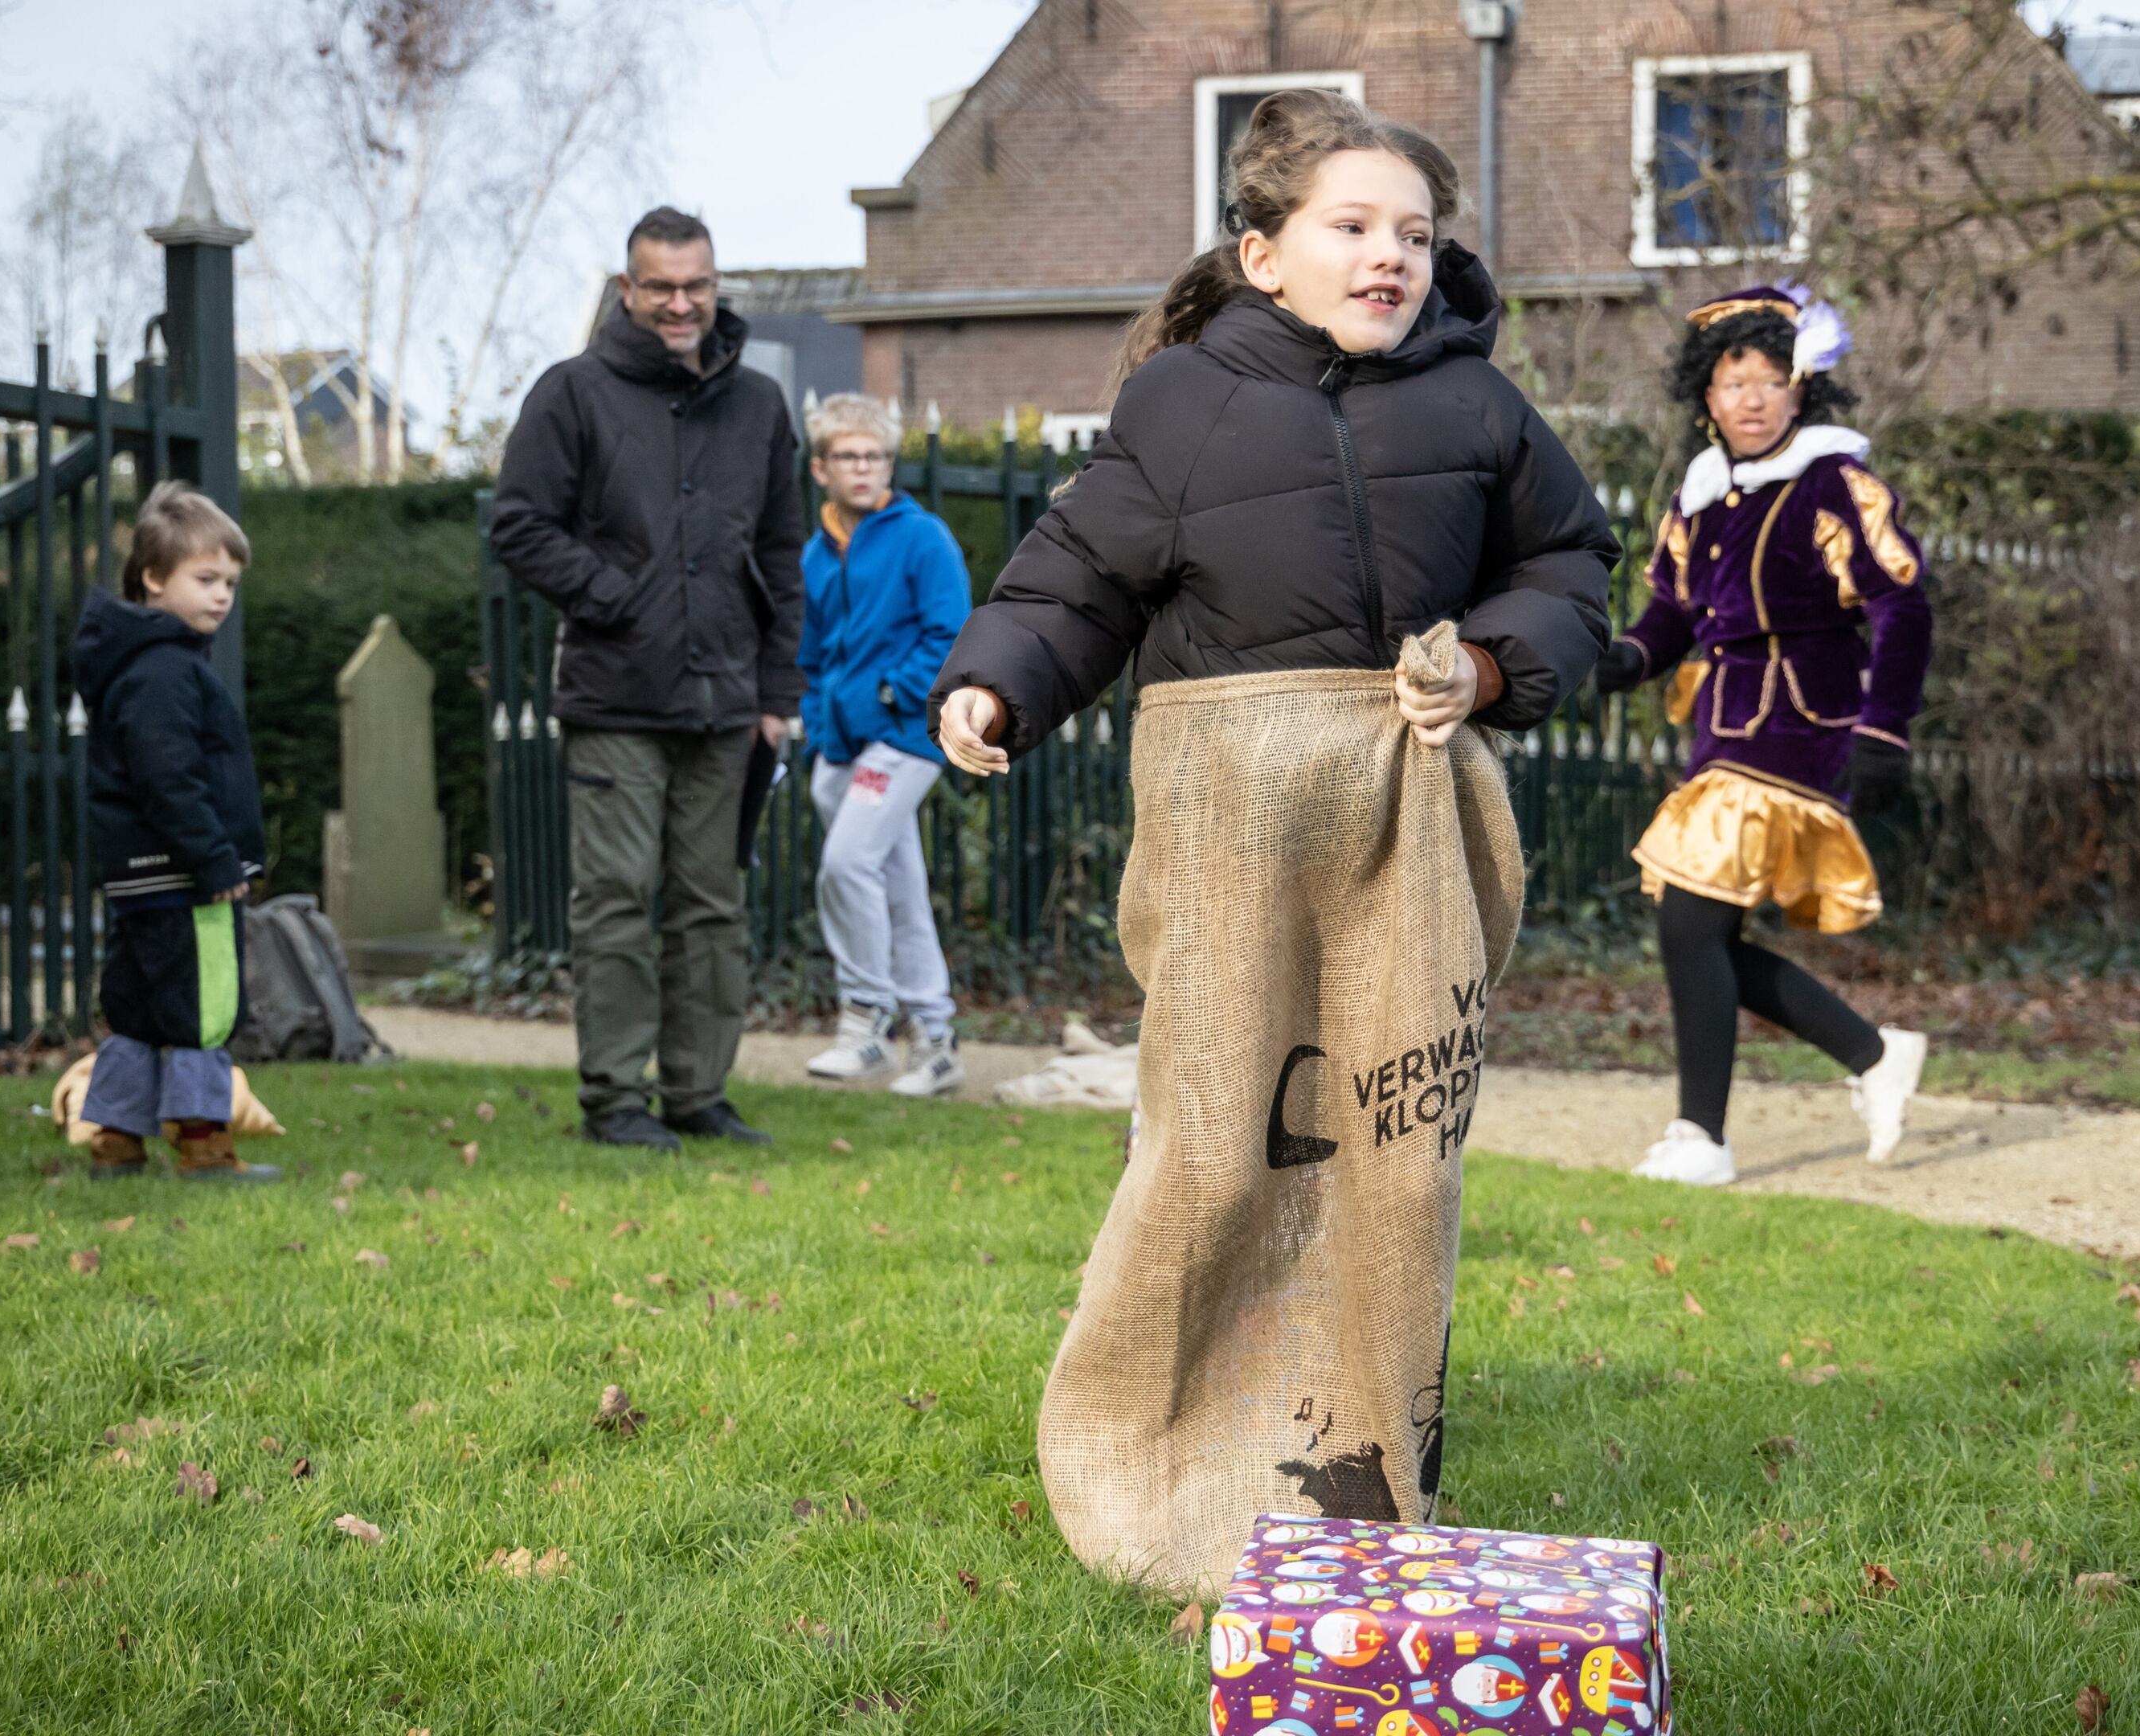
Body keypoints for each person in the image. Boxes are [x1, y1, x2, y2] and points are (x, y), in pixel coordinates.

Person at [932, 89, 1618, 1580]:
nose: (1391, 257)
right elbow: (1077, 578)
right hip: (1231, 827)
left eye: (1415, 234)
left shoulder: (1479, 406)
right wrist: (996, 682)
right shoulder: (1183, 405)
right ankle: (1154, 1464)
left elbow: (1572, 563)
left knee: (1398, 1160)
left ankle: (1365, 1468)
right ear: (1262, 256)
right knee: (1217, 1146)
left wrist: (1487, 665)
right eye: (1352, 226)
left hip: (1405, 826)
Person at [1593, 285, 1934, 1187]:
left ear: (1799, 389)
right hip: (1722, 729)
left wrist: (1887, 727)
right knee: (1698, 931)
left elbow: (1902, 605)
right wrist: (1631, 657)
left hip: (1801, 725)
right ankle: (1872, 1056)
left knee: (1690, 919)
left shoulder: (1833, 483)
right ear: (1705, 396)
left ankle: (1703, 1138)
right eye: (1731, 380)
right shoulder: (1700, 497)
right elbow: (1673, 611)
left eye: (1769, 380)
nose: (1750, 398)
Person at [493, 207, 804, 1153]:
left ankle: (698, 1094)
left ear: (716, 287)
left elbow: (781, 553)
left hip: (727, 701)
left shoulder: (760, 405)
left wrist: (777, 695)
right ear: (628, 289)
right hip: (616, 695)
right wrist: (616, 596)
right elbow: (518, 525)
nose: (679, 304)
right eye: (660, 286)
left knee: (712, 905)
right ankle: (616, 1099)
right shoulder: (572, 393)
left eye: (695, 286)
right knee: (618, 898)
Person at [71, 481, 279, 1184]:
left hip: (140, 878)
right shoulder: (166, 670)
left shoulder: (136, 664)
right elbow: (169, 778)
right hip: (186, 877)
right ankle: (204, 1146)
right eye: (206, 579)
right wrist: (216, 860)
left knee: (136, 1009)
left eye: (230, 583)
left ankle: (116, 1141)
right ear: (154, 578)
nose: (222, 596)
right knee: (204, 1008)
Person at [795, 393, 972, 1095]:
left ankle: (866, 1021)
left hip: (902, 739)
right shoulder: (817, 552)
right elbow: (814, 652)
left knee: (845, 867)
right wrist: (819, 717)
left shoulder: (922, 537)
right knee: (896, 888)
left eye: (875, 456)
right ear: (821, 469)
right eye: (849, 456)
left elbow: (951, 632)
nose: (864, 468)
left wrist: (890, 695)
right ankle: (935, 1041)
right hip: (839, 746)